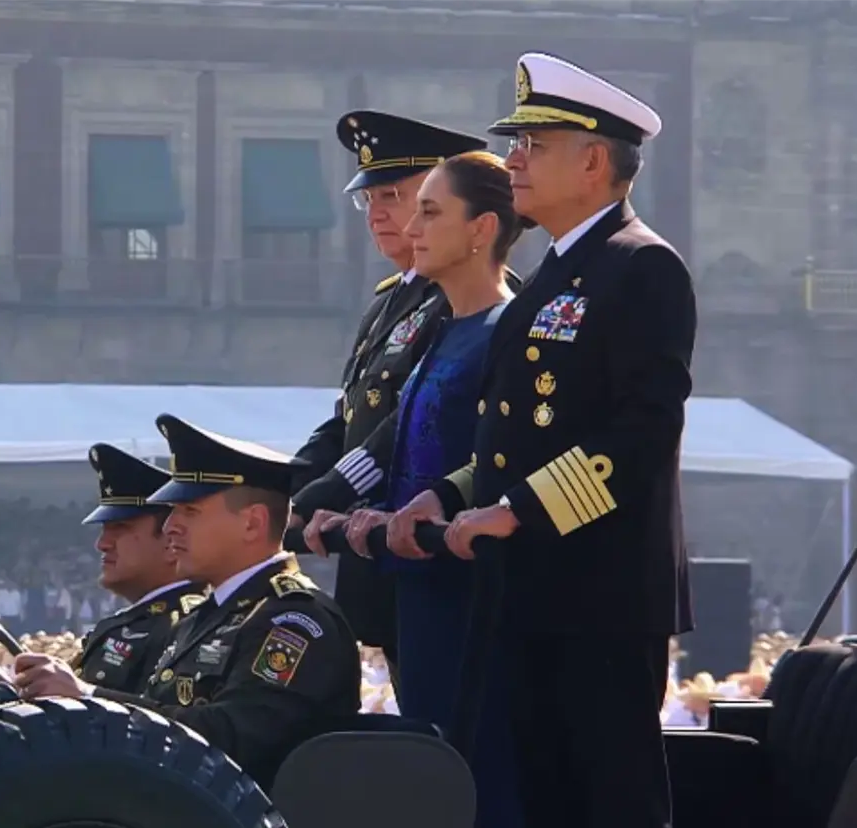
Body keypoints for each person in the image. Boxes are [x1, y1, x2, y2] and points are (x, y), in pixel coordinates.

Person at [392, 52, 696, 828]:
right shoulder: (557, 275)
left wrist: (521, 509)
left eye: (535, 146)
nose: (514, 161)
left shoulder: (640, 267)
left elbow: (643, 429)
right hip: (526, 582)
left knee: (608, 796)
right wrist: (453, 492)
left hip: (601, 589)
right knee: (543, 796)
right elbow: (510, 439)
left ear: (593, 162)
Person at [0, 414, 361, 787]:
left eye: (189, 510)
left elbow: (232, 739)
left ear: (252, 522)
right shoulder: (209, 616)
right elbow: (157, 715)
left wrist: (87, 699)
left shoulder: (295, 621)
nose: (170, 526)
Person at [317, 151, 528, 828]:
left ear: (480, 229)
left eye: (429, 211)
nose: (410, 227)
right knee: (434, 772)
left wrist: (440, 502)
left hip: (474, 587)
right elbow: (389, 444)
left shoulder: (508, 330)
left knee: (484, 773)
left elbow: (507, 455)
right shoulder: (437, 330)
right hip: (416, 585)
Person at [289, 110, 489, 680]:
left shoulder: (465, 298)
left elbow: (399, 427)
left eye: (395, 197)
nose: (376, 213)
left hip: (429, 544)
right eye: (366, 199)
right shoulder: (388, 302)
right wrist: (282, 488)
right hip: (376, 549)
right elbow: (347, 418)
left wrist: (320, 495)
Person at [69, 442, 205, 692]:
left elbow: (161, 720)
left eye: (120, 528)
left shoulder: (185, 626)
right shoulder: (139, 622)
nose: (102, 544)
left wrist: (82, 694)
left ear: (169, 542)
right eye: (104, 530)